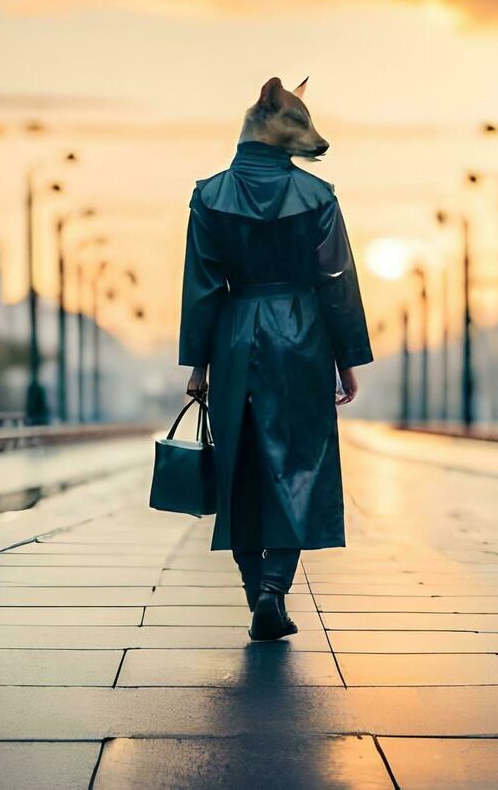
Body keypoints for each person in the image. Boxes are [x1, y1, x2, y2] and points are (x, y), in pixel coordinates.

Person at [178, 76, 373, 641]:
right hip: (302, 336)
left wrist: (198, 363)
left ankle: (253, 595)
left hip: (235, 334)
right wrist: (346, 358)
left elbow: (202, 284)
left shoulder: (209, 196)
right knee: (300, 465)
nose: (317, 140)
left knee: (238, 467)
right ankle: (274, 590)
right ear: (267, 112)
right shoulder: (318, 197)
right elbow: (337, 282)